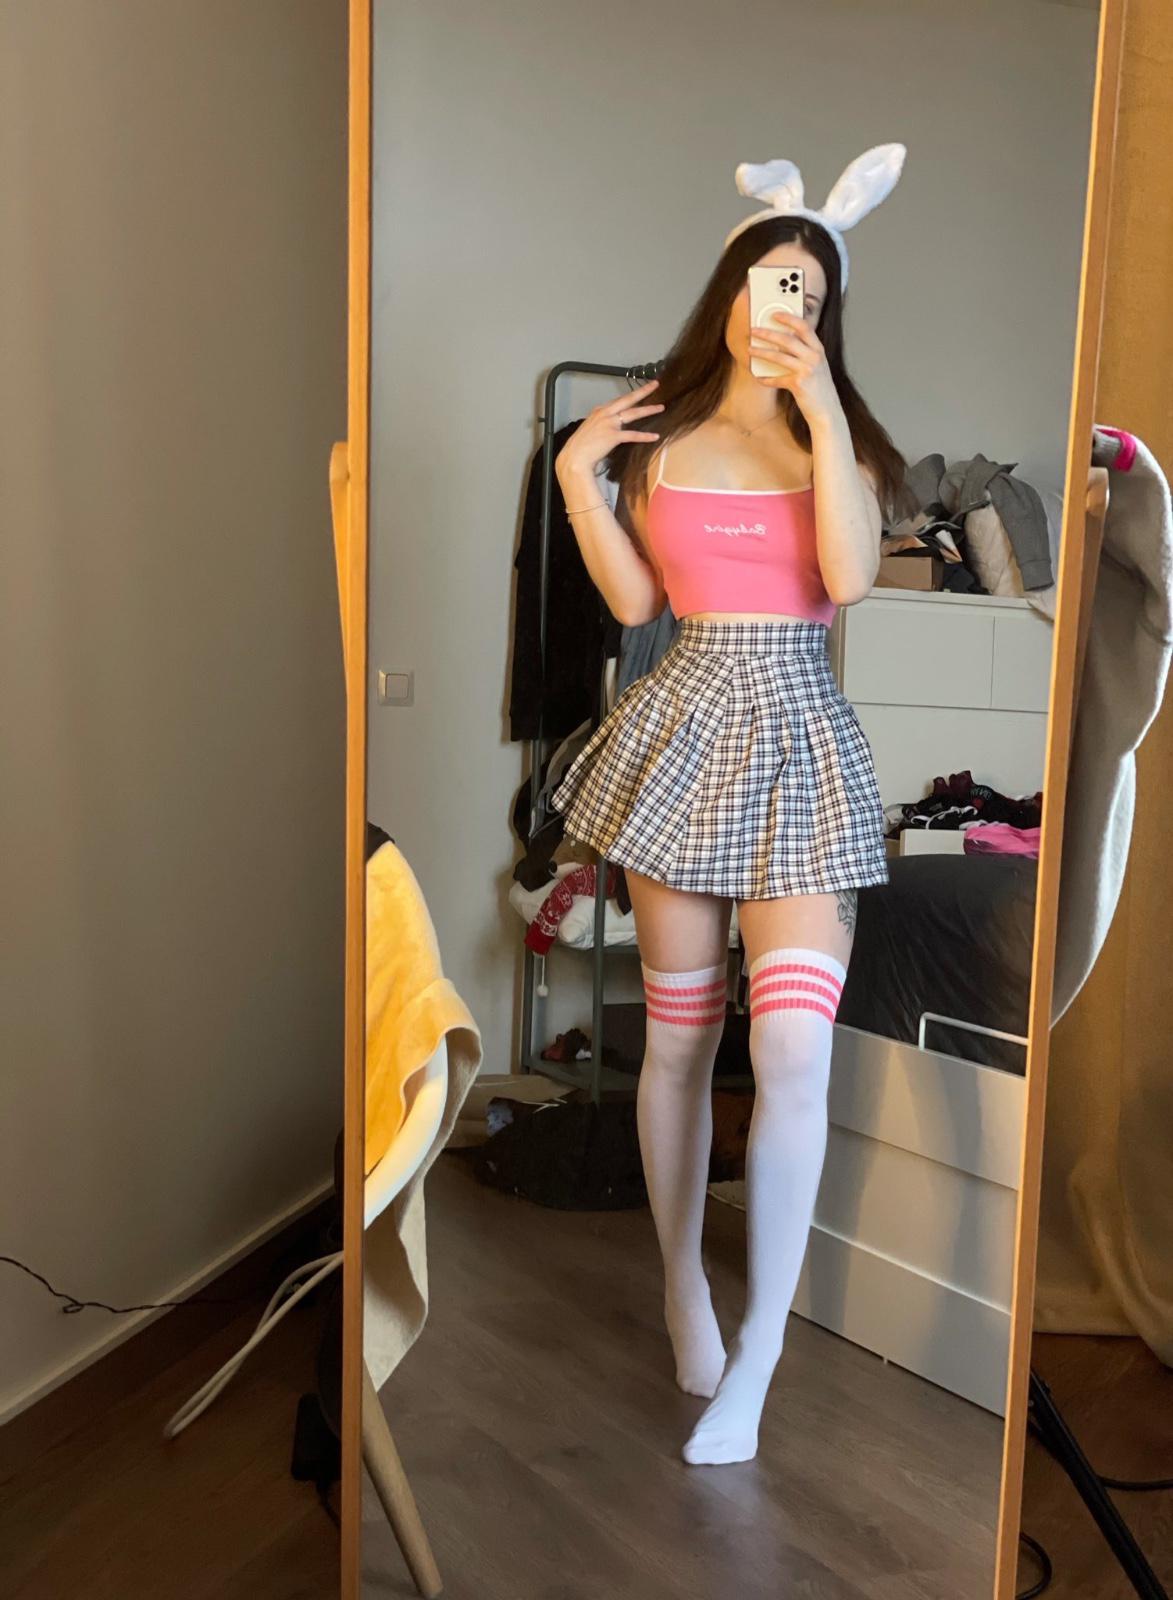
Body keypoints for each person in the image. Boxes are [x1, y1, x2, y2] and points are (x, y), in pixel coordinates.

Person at [550, 145, 910, 1465]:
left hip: (800, 734)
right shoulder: (661, 440)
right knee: (681, 1040)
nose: (785, 306)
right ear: (729, 291)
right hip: (685, 730)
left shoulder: (849, 447)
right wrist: (579, 481)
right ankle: (680, 1288)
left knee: (796, 1051)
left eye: (809, 291)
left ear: (828, 311)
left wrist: (820, 411)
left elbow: (849, 580)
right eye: (770, 281)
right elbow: (637, 603)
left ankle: (759, 1351)